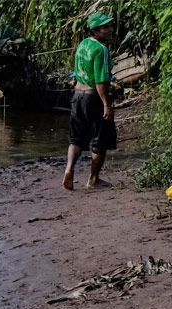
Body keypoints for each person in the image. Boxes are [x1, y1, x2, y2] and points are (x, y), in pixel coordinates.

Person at [64, 12, 118, 190]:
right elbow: (100, 81)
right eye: (106, 27)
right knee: (99, 140)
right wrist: (106, 104)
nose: (110, 29)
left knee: (76, 139)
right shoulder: (100, 49)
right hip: (92, 97)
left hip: (77, 96)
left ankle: (69, 169)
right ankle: (93, 179)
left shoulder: (83, 44)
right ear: (96, 30)